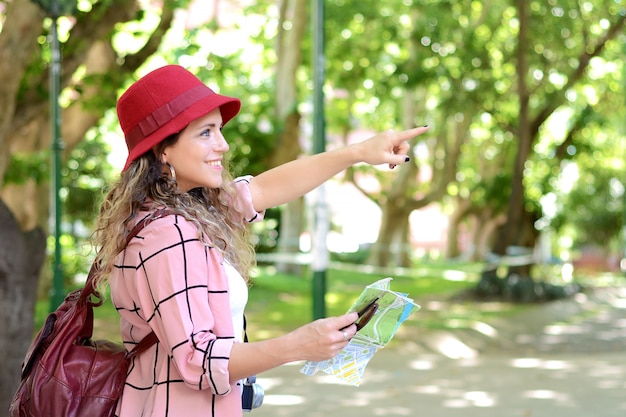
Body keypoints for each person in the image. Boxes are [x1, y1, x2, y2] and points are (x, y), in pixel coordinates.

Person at [91, 64, 430, 417]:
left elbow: (266, 188)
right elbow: (198, 360)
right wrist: (298, 345)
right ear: (163, 149)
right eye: (205, 133)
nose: (222, 145)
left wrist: (357, 152)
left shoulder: (192, 209)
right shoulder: (167, 234)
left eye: (219, 130)